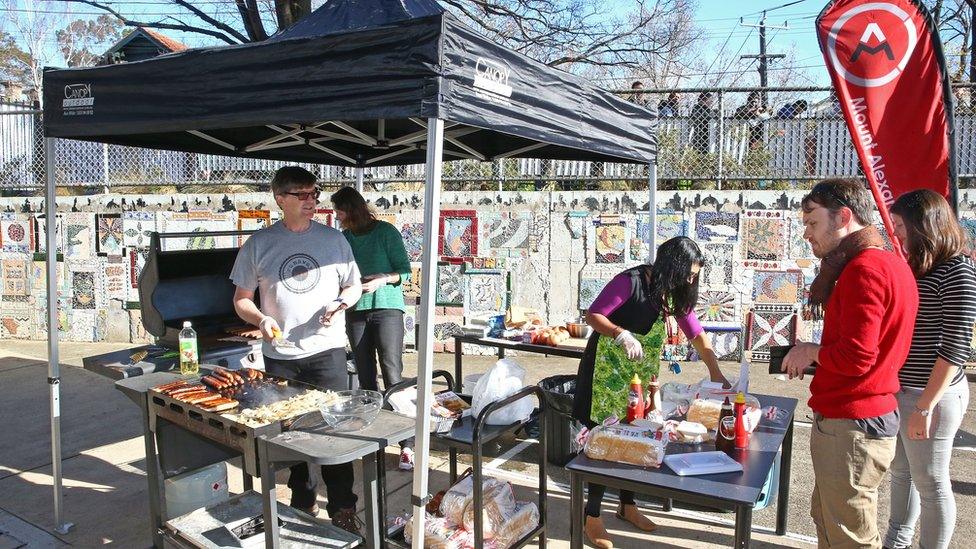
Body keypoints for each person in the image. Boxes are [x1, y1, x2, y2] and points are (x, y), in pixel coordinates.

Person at [782, 179, 918, 548]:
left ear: (843, 216)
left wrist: (810, 351)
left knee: (849, 535)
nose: (807, 234)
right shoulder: (882, 263)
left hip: (854, 422)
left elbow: (857, 356)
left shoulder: (865, 270)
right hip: (857, 417)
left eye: (812, 223)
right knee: (830, 519)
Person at [230, 166, 363, 534]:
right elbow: (241, 299)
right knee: (291, 434)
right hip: (281, 355)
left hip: (328, 351)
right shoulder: (259, 244)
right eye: (302, 195)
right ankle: (302, 500)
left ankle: (342, 506)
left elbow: (354, 286)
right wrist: (260, 321)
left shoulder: (334, 240)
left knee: (336, 432)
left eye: (314, 193)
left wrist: (341, 304)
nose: (312, 201)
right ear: (280, 199)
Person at [574, 237, 730, 549]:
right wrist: (620, 334)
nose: (692, 280)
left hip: (637, 379)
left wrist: (716, 373)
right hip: (606, 376)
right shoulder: (630, 282)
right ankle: (591, 516)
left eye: (695, 276)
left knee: (636, 441)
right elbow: (594, 315)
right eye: (689, 273)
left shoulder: (670, 294)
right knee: (604, 444)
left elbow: (696, 334)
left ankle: (627, 505)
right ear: (673, 267)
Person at [883, 190, 976, 549]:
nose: (898, 233)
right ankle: (896, 542)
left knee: (932, 482)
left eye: (901, 226)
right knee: (902, 475)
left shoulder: (958, 270)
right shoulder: (921, 265)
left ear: (925, 225)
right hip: (906, 391)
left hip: (932, 396)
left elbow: (955, 348)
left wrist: (924, 406)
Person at [330, 186, 415, 471]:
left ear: (351, 209)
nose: (336, 216)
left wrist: (382, 279)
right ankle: (373, 440)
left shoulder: (386, 232)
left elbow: (405, 271)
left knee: (392, 373)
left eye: (339, 210)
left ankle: (408, 445)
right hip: (355, 311)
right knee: (365, 376)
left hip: (387, 308)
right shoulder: (344, 238)